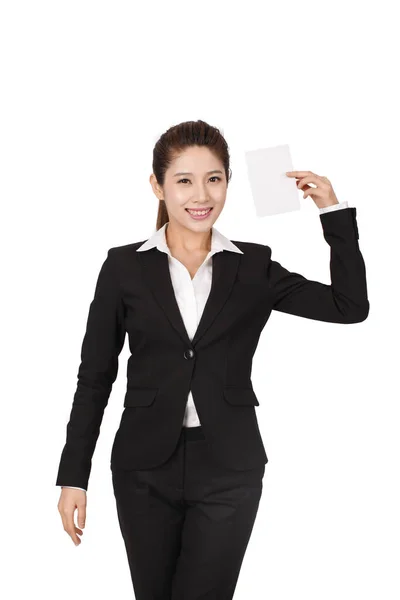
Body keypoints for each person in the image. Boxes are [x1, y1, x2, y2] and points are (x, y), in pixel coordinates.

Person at [56, 119, 369, 599]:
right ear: (157, 185)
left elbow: (350, 308)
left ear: (227, 182)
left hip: (229, 468)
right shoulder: (123, 266)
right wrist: (73, 476)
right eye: (183, 180)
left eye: (214, 178)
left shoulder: (253, 266)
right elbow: (94, 376)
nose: (201, 194)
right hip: (143, 469)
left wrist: (333, 213)